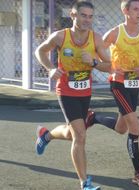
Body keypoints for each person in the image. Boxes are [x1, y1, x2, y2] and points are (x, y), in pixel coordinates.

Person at [34, 1, 111, 189]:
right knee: (80, 135)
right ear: (73, 15)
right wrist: (51, 69)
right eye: (83, 15)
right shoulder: (60, 36)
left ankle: (47, 135)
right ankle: (85, 182)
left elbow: (110, 66)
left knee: (72, 133)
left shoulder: (96, 38)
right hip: (66, 91)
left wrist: (93, 62)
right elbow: (40, 51)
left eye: (90, 16)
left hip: (85, 92)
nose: (87, 20)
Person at [85, 0, 139, 187]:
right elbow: (96, 52)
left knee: (121, 128)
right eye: (135, 9)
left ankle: (93, 117)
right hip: (118, 84)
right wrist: (108, 66)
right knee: (134, 126)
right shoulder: (115, 32)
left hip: (135, 84)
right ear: (125, 11)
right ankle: (138, 172)